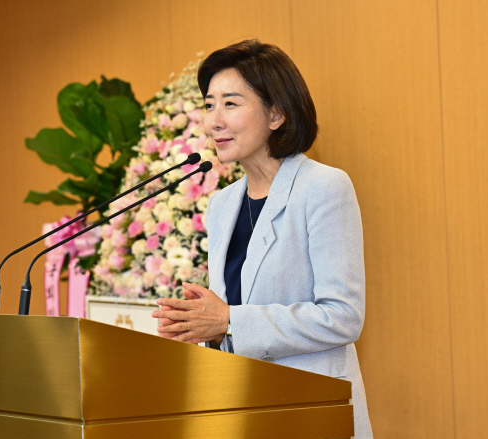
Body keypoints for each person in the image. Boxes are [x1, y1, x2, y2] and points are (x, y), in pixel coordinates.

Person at [151, 39, 373, 438]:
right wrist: (204, 327)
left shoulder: (323, 188)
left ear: (276, 113)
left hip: (310, 410)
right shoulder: (222, 205)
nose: (213, 121)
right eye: (208, 105)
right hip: (243, 410)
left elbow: (343, 317)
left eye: (230, 104)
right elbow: (233, 320)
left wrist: (229, 319)